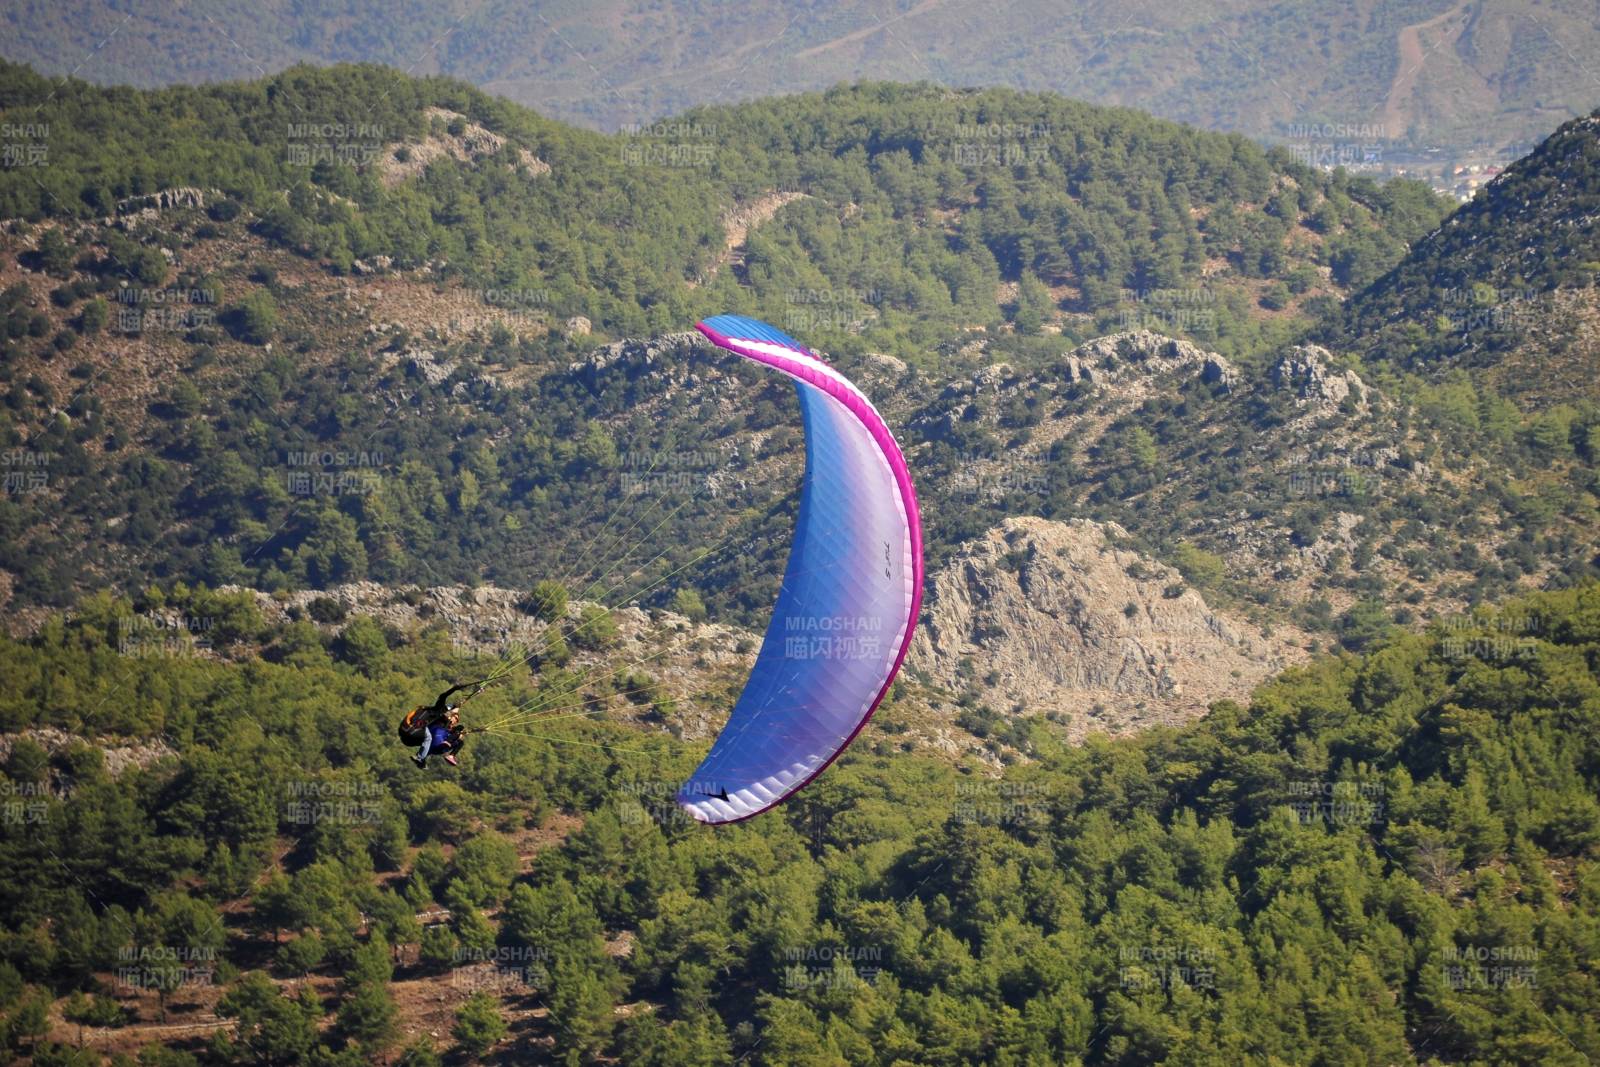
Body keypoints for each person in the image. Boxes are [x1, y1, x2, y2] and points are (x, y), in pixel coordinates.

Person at [400, 682, 477, 768]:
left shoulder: (447, 724)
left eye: (456, 719)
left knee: (456, 732)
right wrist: (454, 689)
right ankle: (420, 758)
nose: (455, 719)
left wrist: (475, 692)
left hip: (408, 740)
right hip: (413, 730)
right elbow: (443, 697)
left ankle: (421, 758)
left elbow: (456, 711)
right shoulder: (439, 709)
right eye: (454, 716)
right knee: (428, 737)